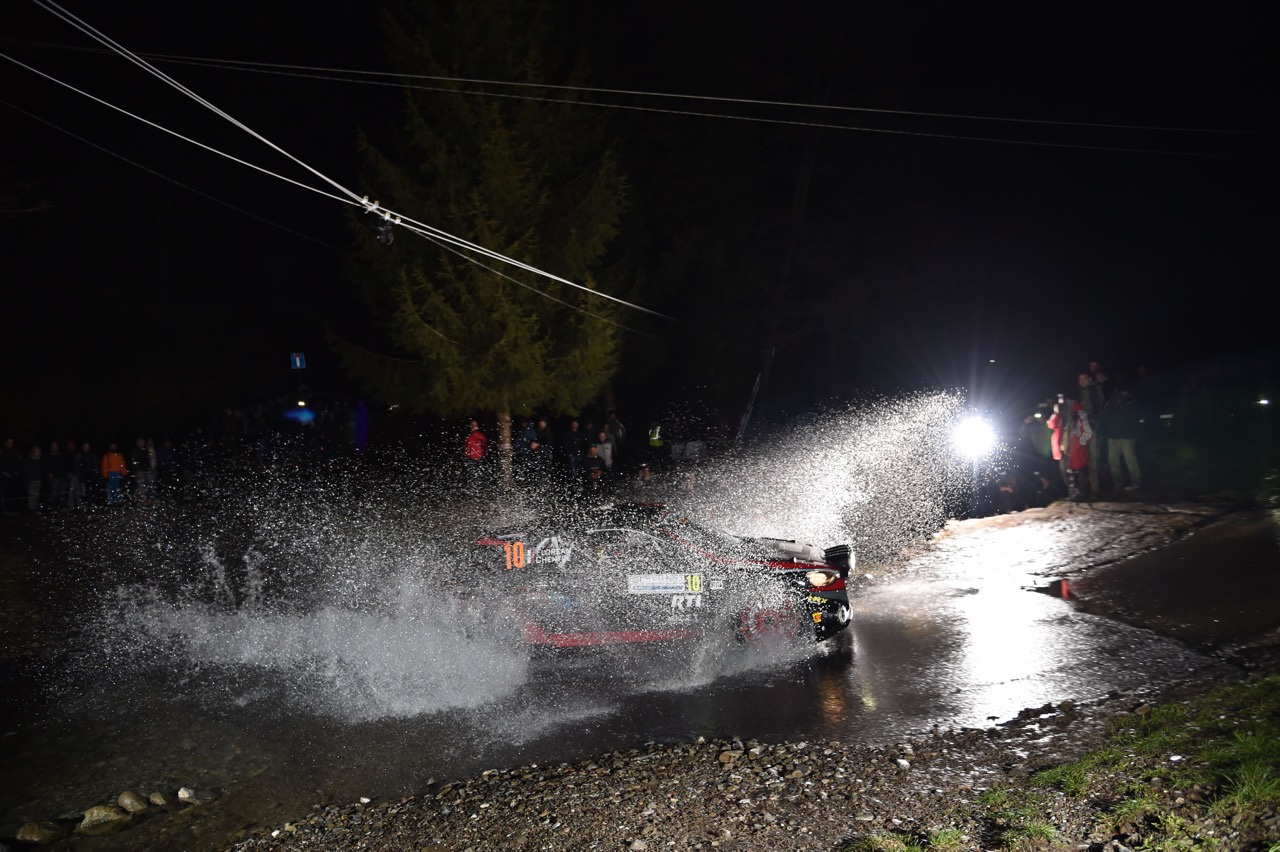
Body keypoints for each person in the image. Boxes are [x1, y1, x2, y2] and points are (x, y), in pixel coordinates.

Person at [1102, 385, 1143, 492]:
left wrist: (1124, 401)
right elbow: (1105, 415)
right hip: (1112, 436)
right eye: (1120, 391)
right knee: (1113, 461)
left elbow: (1135, 415)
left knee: (1130, 460)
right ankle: (1118, 483)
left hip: (1127, 436)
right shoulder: (1111, 401)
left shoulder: (1132, 401)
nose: (1122, 393)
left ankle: (1136, 483)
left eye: (1124, 391)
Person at [1077, 372, 1106, 497]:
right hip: (1082, 429)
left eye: (1084, 379)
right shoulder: (1081, 392)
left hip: (1092, 428)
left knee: (1093, 457)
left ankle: (1095, 488)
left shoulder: (1094, 389)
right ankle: (1088, 487)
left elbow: (1098, 407)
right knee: (1085, 457)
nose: (1082, 381)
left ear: (1089, 379)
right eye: (1080, 379)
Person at [462, 420, 489, 494]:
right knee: (472, 474)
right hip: (473, 457)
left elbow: (484, 445)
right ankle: (473, 489)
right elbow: (466, 446)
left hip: (476, 457)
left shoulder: (477, 436)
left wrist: (482, 453)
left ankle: (476, 489)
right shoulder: (471, 436)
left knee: (475, 474)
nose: (473, 427)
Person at [1, 437, 23, 516]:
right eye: (8, 442)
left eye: (11, 442)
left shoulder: (15, 451)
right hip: (5, 475)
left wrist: (18, 472)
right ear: (5, 443)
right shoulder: (2, 451)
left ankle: (12, 510)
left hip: (14, 476)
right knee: (6, 494)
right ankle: (6, 510)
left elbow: (19, 462)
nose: (10, 443)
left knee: (13, 494)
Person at [23, 445, 43, 512]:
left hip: (38, 480)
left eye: (39, 451)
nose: (38, 453)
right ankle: (31, 511)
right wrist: (28, 480)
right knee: (31, 497)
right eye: (36, 452)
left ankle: (35, 509)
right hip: (31, 481)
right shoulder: (28, 460)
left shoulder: (40, 461)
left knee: (37, 496)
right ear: (33, 452)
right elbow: (25, 471)